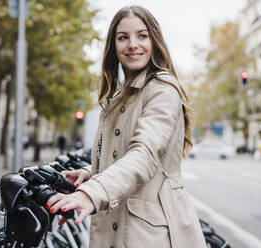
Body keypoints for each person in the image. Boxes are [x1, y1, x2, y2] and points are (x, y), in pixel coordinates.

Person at [47, 5, 206, 248]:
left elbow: (145, 154)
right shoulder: (119, 98)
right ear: (114, 46)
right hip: (120, 224)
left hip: (151, 234)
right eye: (123, 37)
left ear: (154, 41)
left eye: (142, 35)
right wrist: (92, 173)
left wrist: (92, 192)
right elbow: (121, 154)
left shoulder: (162, 90)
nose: (133, 44)